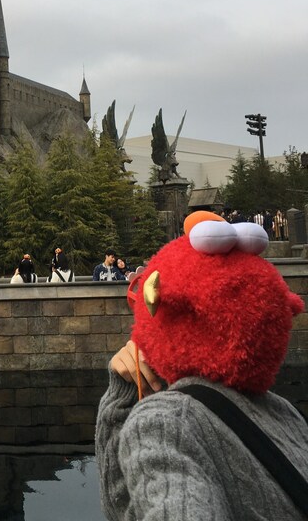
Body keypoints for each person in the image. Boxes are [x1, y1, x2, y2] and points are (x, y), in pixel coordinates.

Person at [95, 211, 308, 521]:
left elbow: (128, 511)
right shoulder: (286, 413)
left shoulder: (165, 419)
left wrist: (121, 401)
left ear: (166, 304)